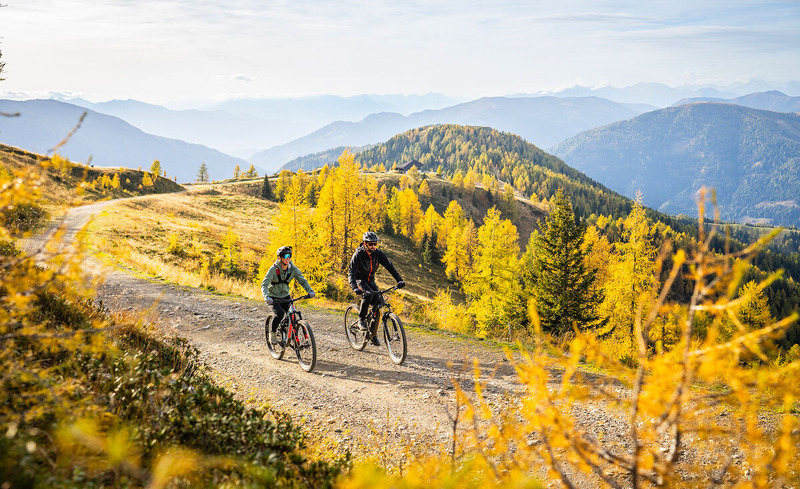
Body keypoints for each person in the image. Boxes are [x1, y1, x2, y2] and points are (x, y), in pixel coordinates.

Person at [348, 231, 405, 346]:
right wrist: (355, 287)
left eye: (375, 244)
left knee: (380, 304)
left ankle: (372, 334)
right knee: (368, 294)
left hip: (370, 280)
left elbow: (389, 266)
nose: (373, 246)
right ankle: (361, 319)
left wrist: (399, 280)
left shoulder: (378, 254)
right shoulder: (358, 255)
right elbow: (351, 273)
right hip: (360, 280)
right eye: (370, 244)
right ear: (365, 244)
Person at [261, 246, 316, 344]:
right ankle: (273, 333)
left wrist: (310, 291)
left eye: (289, 255)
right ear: (280, 257)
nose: (288, 258)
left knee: (293, 313)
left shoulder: (292, 268)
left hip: (285, 296)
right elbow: (264, 284)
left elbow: (302, 280)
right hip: (273, 297)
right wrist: (266, 297)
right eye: (285, 256)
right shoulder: (273, 269)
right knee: (280, 313)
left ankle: (290, 334)